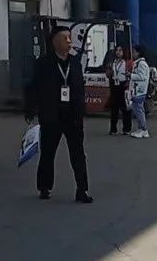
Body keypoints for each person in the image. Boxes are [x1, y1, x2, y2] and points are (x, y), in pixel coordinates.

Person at [24, 26, 93, 203]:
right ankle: (44, 186)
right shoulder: (44, 63)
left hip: (73, 116)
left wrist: (81, 110)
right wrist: (30, 108)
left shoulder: (75, 62)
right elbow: (33, 87)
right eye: (65, 38)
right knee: (48, 153)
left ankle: (82, 190)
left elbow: (79, 88)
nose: (69, 41)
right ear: (54, 41)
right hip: (51, 116)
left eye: (70, 38)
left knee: (78, 154)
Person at [107, 45, 132, 136]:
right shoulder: (112, 62)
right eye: (117, 50)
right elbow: (108, 74)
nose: (118, 52)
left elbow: (131, 73)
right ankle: (113, 129)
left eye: (120, 50)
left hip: (123, 86)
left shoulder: (127, 62)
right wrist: (109, 72)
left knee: (125, 109)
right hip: (114, 86)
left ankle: (126, 129)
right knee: (114, 109)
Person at [129, 44, 150, 139]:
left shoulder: (141, 64)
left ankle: (144, 129)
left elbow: (142, 76)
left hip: (139, 91)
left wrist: (131, 75)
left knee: (139, 110)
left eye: (134, 52)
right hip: (137, 90)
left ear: (138, 53)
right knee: (137, 110)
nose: (133, 54)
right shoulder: (138, 63)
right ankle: (140, 128)